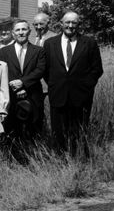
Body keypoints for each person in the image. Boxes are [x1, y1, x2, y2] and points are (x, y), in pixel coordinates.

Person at [43, 11, 103, 158]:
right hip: (58, 94)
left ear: (78, 24)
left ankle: (79, 159)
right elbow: (45, 69)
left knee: (79, 131)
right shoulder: (50, 44)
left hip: (81, 97)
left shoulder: (89, 43)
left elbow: (97, 70)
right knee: (59, 131)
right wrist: (53, 85)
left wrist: (85, 87)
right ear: (61, 24)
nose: (70, 26)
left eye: (74, 23)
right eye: (67, 22)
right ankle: (60, 160)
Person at [0, 19, 49, 152]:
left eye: (24, 29)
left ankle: (34, 156)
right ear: (13, 33)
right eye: (18, 30)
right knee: (12, 128)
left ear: (29, 31)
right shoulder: (4, 52)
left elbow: (40, 70)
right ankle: (12, 157)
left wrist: (23, 83)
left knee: (34, 127)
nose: (21, 33)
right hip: (11, 95)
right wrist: (15, 88)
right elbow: (2, 72)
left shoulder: (39, 51)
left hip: (33, 95)